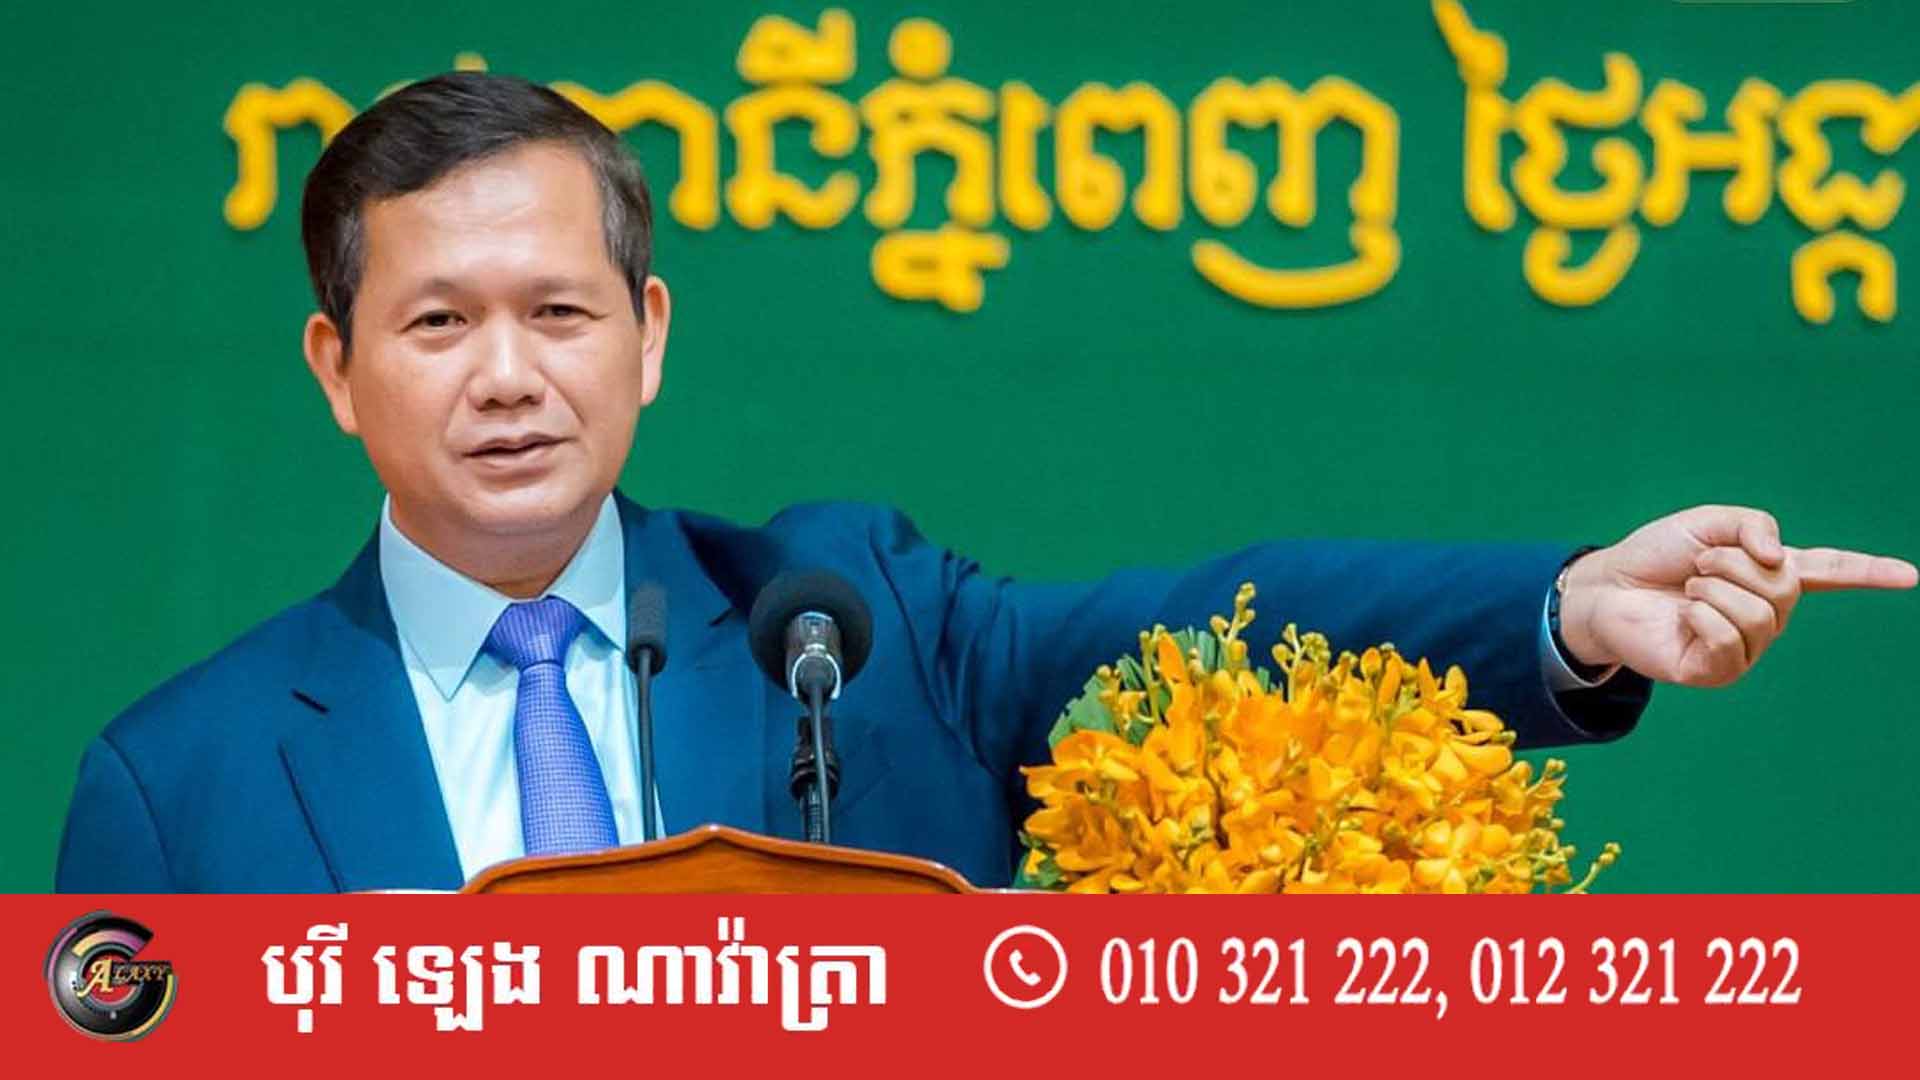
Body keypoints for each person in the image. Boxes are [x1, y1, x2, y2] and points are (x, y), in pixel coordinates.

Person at [54, 73, 1916, 893]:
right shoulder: (182, 779)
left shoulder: (835, 625)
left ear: (649, 335)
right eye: (438, 323)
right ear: (336, 367)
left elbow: (1196, 632)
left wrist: (1565, 609)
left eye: (560, 311)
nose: (511, 376)